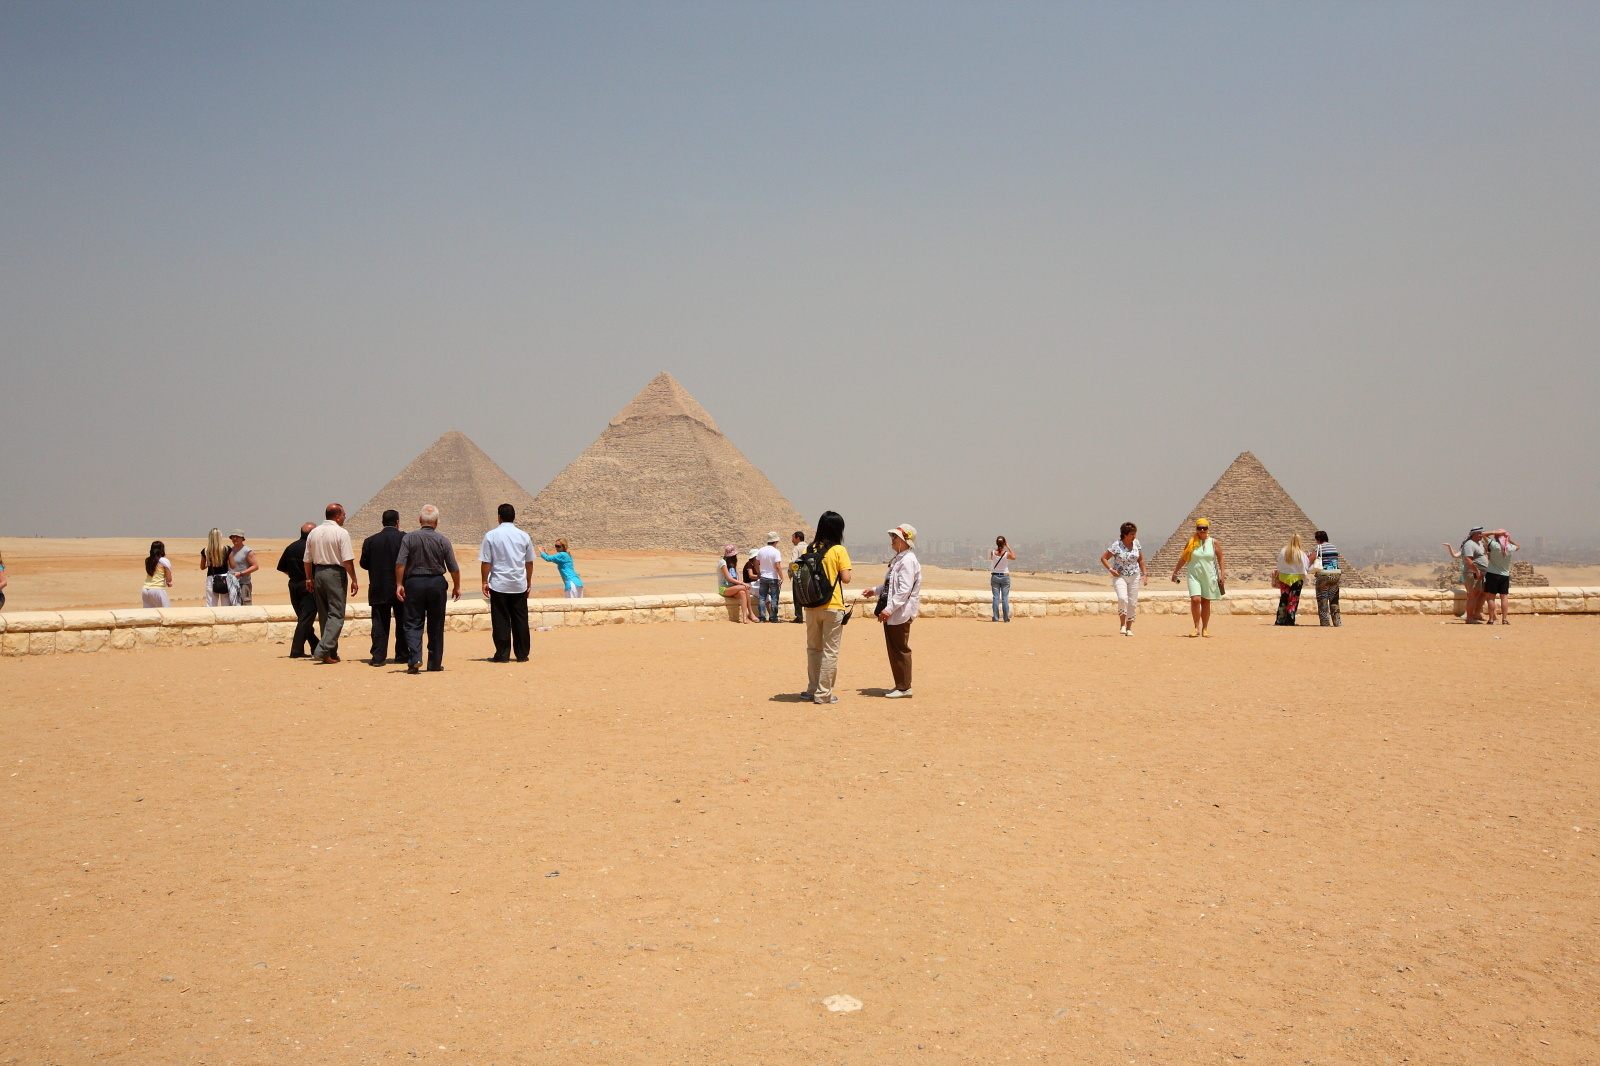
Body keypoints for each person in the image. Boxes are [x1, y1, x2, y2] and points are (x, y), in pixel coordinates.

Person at [395, 504, 461, 673]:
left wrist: (399, 584)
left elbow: (400, 563)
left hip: (415, 583)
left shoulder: (409, 538)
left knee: (412, 623)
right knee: (436, 624)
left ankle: (415, 657)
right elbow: (453, 567)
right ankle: (435, 663)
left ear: (419, 520)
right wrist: (457, 586)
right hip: (437, 584)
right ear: (437, 522)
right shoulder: (443, 540)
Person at [858, 524, 920, 698]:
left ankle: (905, 687)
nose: (892, 540)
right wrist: (873, 590)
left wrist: (888, 609)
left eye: (895, 537)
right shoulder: (899, 559)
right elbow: (890, 585)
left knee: (900, 649)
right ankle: (900, 684)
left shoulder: (908, 560)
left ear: (905, 540)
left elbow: (904, 590)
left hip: (900, 612)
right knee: (894, 649)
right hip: (895, 611)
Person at [801, 511, 852, 705]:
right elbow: (846, 579)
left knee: (813, 649)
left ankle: (812, 689)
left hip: (812, 606)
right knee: (830, 651)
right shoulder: (839, 550)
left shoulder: (809, 548)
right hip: (832, 606)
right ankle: (823, 694)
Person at [479, 503, 536, 662]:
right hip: (518, 584)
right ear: (514, 516)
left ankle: (502, 654)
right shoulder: (524, 535)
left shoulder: (491, 535)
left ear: (499, 516)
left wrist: (484, 581)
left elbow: (486, 562)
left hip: (499, 584)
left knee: (501, 621)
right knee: (520, 620)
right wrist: (528, 581)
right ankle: (522, 654)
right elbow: (529, 562)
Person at [304, 503, 358, 664]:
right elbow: (347, 560)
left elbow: (307, 560)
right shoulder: (341, 533)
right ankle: (322, 649)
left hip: (318, 573)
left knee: (325, 615)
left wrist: (309, 578)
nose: (345, 517)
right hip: (335, 574)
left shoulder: (314, 532)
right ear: (337, 516)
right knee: (337, 614)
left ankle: (330, 653)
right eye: (344, 514)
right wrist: (354, 579)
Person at [359, 509, 409, 666]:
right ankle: (402, 655)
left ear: (382, 522)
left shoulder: (370, 541)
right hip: (401, 587)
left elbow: (364, 564)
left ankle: (378, 657)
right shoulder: (405, 538)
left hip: (378, 587)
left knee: (379, 624)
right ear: (397, 522)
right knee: (402, 622)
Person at [1170, 518, 1225, 637]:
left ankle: (1205, 628)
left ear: (1208, 529)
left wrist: (1222, 575)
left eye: (1204, 528)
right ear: (1196, 529)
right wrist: (1175, 572)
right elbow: (1184, 558)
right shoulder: (1191, 542)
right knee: (1195, 600)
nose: (1202, 530)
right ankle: (1196, 627)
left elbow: (1220, 558)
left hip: (1209, 575)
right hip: (1193, 575)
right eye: (1199, 528)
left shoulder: (1214, 542)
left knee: (1206, 602)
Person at [277, 522, 320, 657]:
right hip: (308, 585)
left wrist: (294, 574)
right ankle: (296, 651)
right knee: (306, 618)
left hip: (293, 585)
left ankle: (315, 646)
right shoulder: (313, 548)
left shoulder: (291, 547)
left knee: (303, 618)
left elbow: (282, 568)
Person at [1100, 522, 1146, 636]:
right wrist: (1111, 569)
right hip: (1120, 576)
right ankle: (1122, 624)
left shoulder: (1136, 543)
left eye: (1135, 534)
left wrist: (1145, 574)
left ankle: (1129, 628)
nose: (1134, 536)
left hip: (1135, 575)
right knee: (1122, 598)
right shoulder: (1117, 545)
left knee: (1132, 602)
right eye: (1132, 534)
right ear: (1125, 534)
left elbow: (1141, 559)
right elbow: (1104, 558)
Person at [1481, 529, 1519, 625]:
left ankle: (1491, 619)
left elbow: (1482, 534)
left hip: (1492, 574)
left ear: (1497, 537)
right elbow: (1518, 546)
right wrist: (1508, 539)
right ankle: (1504, 619)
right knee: (1504, 597)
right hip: (1505, 575)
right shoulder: (1510, 548)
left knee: (1491, 597)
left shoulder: (1494, 546)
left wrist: (1494, 532)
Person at [1274, 533, 1311, 626]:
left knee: (1283, 599)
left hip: (1283, 578)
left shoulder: (1283, 551)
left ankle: (1280, 620)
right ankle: (1290, 621)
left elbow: (1279, 564)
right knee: (1293, 600)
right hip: (1296, 579)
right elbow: (1305, 567)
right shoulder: (1301, 554)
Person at [718, 546, 757, 623]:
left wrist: (740, 583)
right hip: (724, 588)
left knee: (742, 592)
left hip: (734, 587)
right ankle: (751, 612)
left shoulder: (734, 563)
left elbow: (739, 575)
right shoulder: (722, 562)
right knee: (745, 587)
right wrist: (742, 584)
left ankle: (744, 618)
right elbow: (729, 578)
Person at [1310, 531, 1342, 627]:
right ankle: (1337, 622)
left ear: (1318, 539)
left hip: (1324, 575)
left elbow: (1311, 559)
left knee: (1323, 599)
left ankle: (1325, 622)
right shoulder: (1333, 547)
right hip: (1336, 574)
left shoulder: (1319, 547)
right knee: (1334, 600)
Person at [1459, 527, 1489, 624]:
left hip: (1481, 572)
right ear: (1473, 534)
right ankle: (1469, 618)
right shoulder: (1469, 544)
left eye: (1482, 533)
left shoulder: (1479, 543)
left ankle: (1477, 614)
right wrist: (1476, 571)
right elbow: (1468, 560)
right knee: (1473, 595)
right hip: (1473, 573)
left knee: (1482, 593)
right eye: (1479, 533)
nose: (1481, 535)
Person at [200, 528, 235, 607]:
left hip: (211, 578)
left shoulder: (205, 551)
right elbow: (233, 565)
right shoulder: (227, 549)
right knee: (226, 603)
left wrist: (209, 563)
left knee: (211, 604)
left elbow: (202, 567)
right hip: (225, 578)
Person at [754, 533, 785, 623]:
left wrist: (759, 572)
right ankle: (773, 617)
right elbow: (778, 566)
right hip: (773, 577)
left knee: (762, 597)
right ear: (775, 541)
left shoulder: (761, 550)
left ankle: (762, 617)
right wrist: (782, 578)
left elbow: (756, 563)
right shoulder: (776, 552)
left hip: (763, 577)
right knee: (774, 597)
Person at [226, 529, 259, 606]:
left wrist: (241, 574)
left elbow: (255, 566)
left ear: (242, 539)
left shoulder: (247, 551)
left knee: (245, 605)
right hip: (231, 584)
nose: (235, 539)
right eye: (233, 537)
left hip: (243, 584)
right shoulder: (229, 550)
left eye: (237, 537)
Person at [990, 536, 1015, 622]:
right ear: (1004, 543)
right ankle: (1006, 618)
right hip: (1005, 576)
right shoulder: (1006, 554)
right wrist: (1008, 547)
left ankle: (996, 617)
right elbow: (1014, 557)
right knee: (1005, 598)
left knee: (996, 598)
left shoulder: (992, 553)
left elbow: (992, 558)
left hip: (995, 576)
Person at [141, 541, 173, 608]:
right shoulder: (164, 561)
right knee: (167, 612)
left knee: (150, 614)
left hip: (145, 589)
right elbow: (169, 579)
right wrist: (168, 582)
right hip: (157, 589)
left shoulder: (148, 560)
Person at [788, 531, 808, 623]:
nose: (792, 540)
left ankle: (799, 617)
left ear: (798, 538)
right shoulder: (809, 547)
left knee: (797, 596)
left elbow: (793, 562)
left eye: (793, 538)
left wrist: (792, 572)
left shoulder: (796, 548)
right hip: (808, 576)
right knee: (808, 595)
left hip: (799, 576)